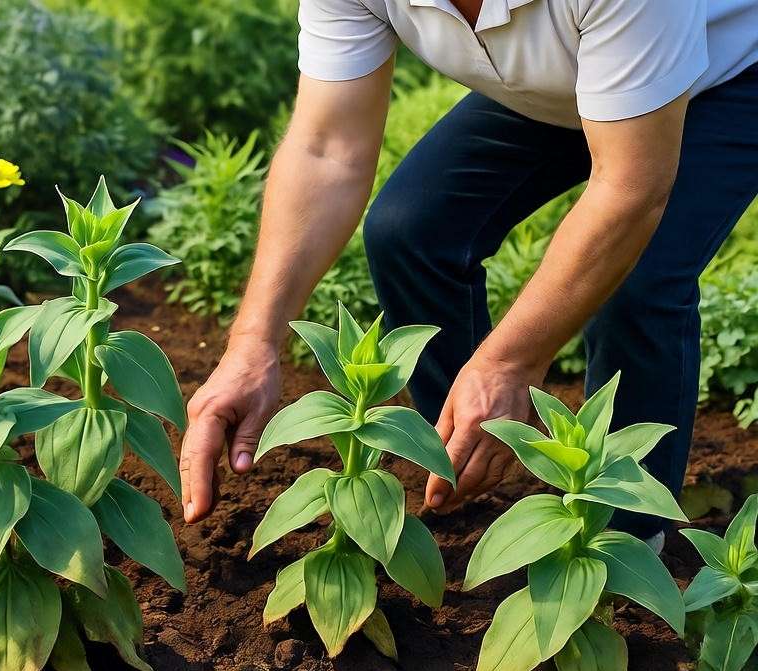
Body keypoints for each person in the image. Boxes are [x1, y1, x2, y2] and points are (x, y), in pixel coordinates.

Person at [178, 0, 758, 547]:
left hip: (726, 71)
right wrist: (253, 344)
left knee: (637, 284)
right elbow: (327, 150)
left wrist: (510, 359)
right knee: (411, 231)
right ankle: (463, 461)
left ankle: (626, 539)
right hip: (570, 74)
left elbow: (630, 189)